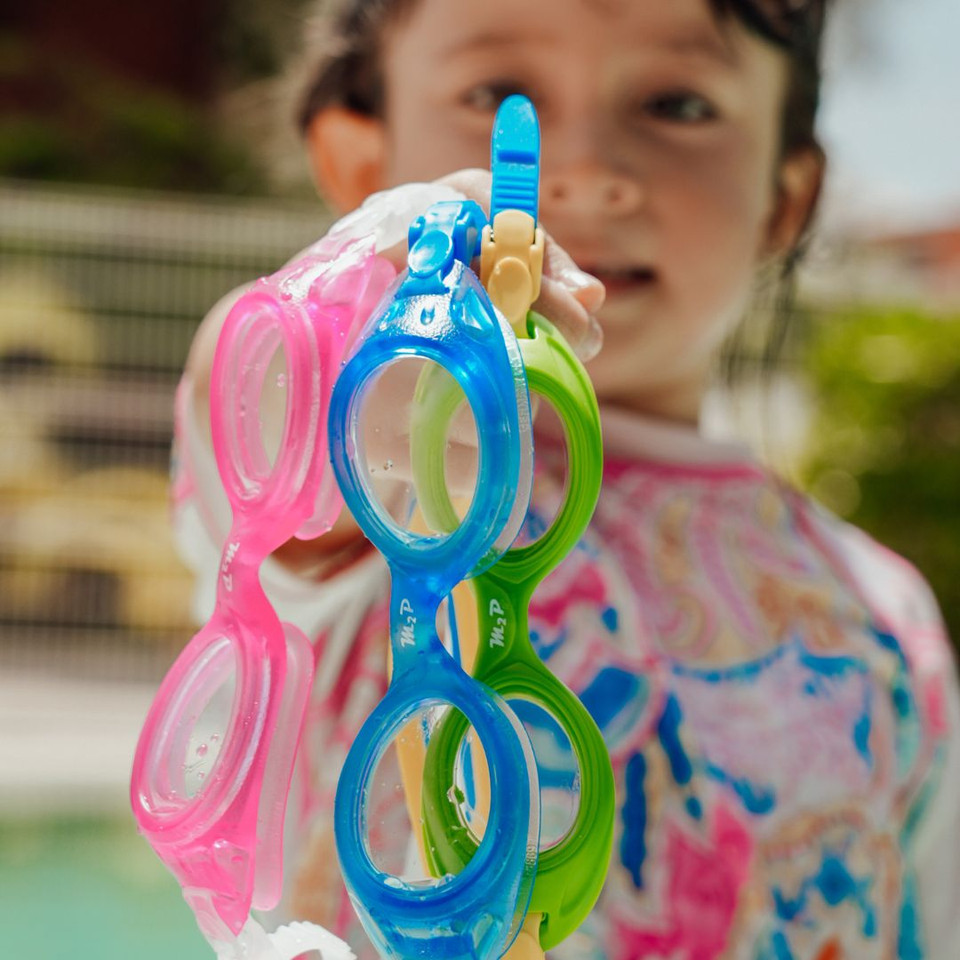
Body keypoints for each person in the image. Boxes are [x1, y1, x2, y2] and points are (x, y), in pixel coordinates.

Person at [171, 1, 960, 957]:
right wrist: (376, 298)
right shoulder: (388, 509)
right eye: (499, 94)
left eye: (675, 102)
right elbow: (265, 410)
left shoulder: (884, 615)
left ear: (785, 200)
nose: (585, 169)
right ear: (358, 164)